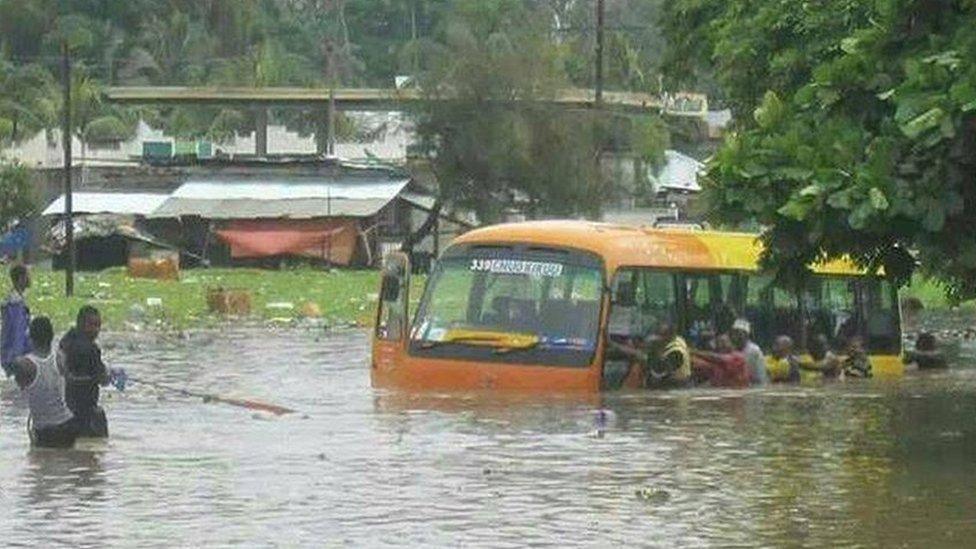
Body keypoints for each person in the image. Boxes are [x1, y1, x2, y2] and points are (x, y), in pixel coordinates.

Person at [12, 317, 79, 448]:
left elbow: (20, 385)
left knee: (43, 466)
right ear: (52, 336)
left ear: (30, 336)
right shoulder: (60, 357)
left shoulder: (24, 364)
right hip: (68, 424)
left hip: (45, 431)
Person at [60, 306, 110, 437]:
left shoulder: (66, 340)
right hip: (85, 411)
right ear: (81, 324)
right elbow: (102, 379)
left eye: (98, 326)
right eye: (92, 325)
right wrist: (109, 376)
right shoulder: (92, 349)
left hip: (65, 407)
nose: (96, 330)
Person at [610, 321, 691, 389]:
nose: (656, 338)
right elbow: (644, 348)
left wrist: (617, 346)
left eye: (661, 335)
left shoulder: (676, 353)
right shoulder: (671, 341)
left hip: (675, 388)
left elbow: (658, 368)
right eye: (657, 334)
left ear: (670, 336)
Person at [1, 264, 31, 377]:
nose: (29, 279)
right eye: (27, 276)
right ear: (21, 279)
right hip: (14, 356)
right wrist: (17, 357)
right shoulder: (15, 304)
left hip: (11, 354)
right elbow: (17, 332)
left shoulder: (15, 300)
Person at [730, 319, 768, 386]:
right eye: (734, 333)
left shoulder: (754, 350)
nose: (736, 336)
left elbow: (760, 375)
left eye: (739, 333)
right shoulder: (731, 349)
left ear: (746, 335)